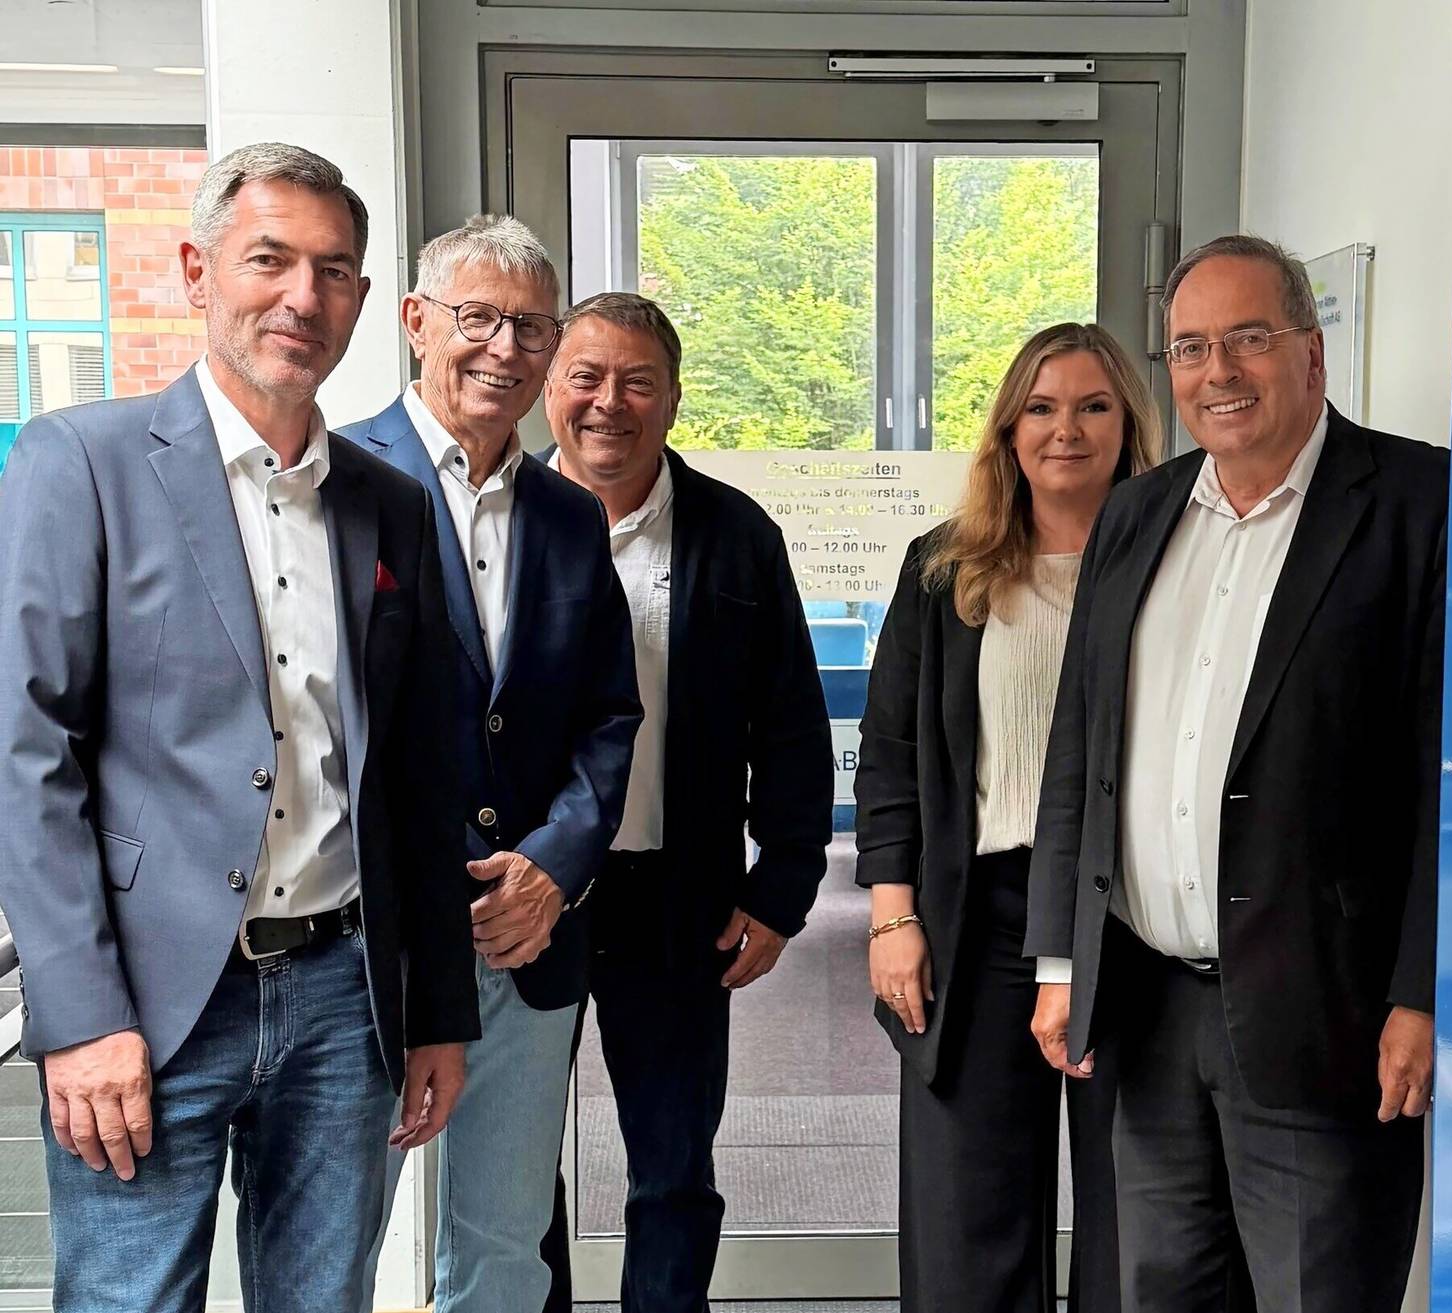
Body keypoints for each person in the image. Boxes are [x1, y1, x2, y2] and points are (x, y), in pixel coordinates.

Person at [0, 141, 477, 1313]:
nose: (301, 297)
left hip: (342, 994)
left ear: (365, 301)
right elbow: (26, 748)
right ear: (196, 270)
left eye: (333, 270)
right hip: (151, 1003)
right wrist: (80, 1015)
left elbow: (414, 774)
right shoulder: (83, 462)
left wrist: (437, 1011)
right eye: (269, 259)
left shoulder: (391, 504)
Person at [1024, 235, 1447, 1312]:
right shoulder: (1137, 510)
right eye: (1192, 347)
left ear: (1311, 349)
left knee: (1319, 1291)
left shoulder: (1420, 504)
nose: (1221, 371)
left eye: (1249, 338)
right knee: (1162, 1289)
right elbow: (1084, 746)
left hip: (1328, 1013)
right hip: (1149, 1005)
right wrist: (1060, 955)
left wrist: (1423, 989)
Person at [343, 218, 642, 1312]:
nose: (505, 349)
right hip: (372, 941)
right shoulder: (333, 481)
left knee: (506, 1246)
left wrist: (554, 863)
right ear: (417, 321)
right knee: (334, 1241)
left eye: (531, 326)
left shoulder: (570, 514)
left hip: (528, 933)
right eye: (478, 318)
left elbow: (609, 713)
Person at [856, 323, 1163, 1312]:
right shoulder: (948, 568)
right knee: (968, 1209)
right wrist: (893, 915)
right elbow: (894, 754)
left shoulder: (1172, 563)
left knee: (1137, 1208)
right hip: (976, 913)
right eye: (1041, 405)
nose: (1064, 429)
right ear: (1007, 428)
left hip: (1130, 916)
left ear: (1128, 425)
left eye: (1092, 405)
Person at [542, 292, 833, 1312]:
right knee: (514, 1169)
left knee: (670, 1168)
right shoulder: (498, 523)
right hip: (522, 900)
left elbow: (792, 725)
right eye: (586, 375)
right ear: (549, 385)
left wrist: (783, 886)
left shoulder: (734, 535)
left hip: (674, 899)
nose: (607, 403)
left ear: (672, 397)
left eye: (637, 381)